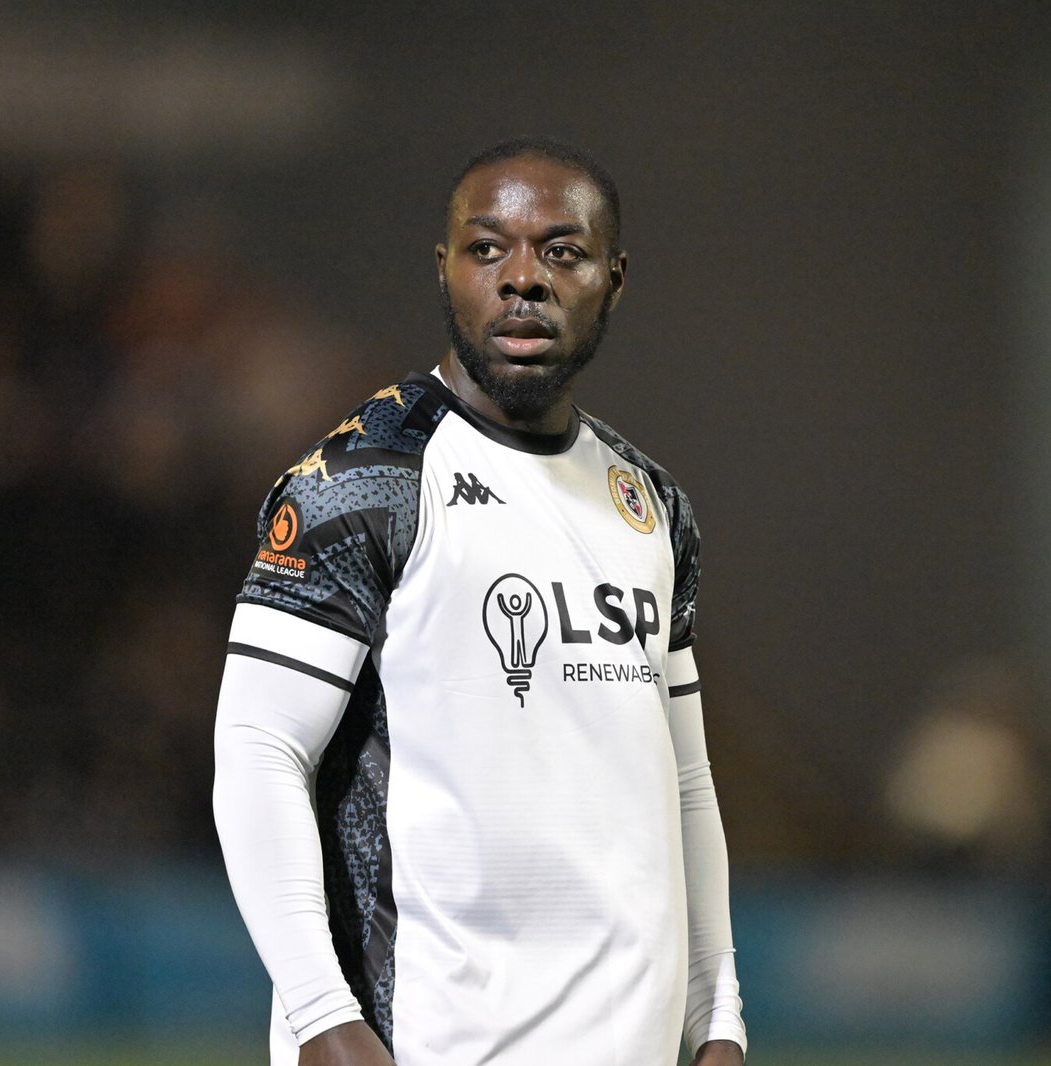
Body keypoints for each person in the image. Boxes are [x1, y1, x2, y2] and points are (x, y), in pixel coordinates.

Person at [213, 138, 747, 1066]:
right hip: (424, 1044)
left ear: (614, 279)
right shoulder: (361, 481)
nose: (523, 279)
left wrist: (720, 1017)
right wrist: (320, 1019)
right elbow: (257, 751)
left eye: (563, 252)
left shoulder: (652, 506)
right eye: (488, 248)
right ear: (445, 270)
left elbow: (686, 784)